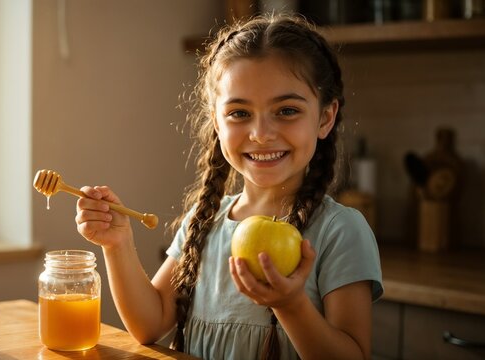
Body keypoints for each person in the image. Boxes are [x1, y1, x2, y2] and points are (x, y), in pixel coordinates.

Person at [75, 14, 383, 360]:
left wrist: (290, 306)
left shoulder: (340, 231)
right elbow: (149, 324)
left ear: (325, 117)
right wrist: (118, 244)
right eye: (239, 113)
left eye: (286, 110)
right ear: (217, 122)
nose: (261, 134)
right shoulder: (204, 222)